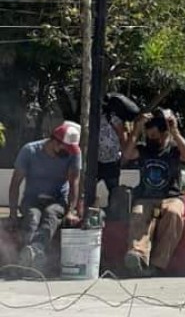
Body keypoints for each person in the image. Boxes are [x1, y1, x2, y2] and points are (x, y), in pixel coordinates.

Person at [122, 108, 185, 276]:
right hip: (145, 198)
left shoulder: (174, 150)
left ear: (164, 134)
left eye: (154, 136)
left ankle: (157, 264)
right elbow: (127, 155)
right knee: (139, 214)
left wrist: (175, 131)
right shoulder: (143, 150)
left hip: (172, 197)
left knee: (173, 214)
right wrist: (136, 130)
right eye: (148, 136)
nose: (151, 139)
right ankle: (137, 255)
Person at [7, 121, 82, 268]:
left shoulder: (74, 154)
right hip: (32, 199)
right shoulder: (29, 151)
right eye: (65, 149)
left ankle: (33, 252)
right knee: (32, 218)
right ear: (55, 141)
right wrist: (13, 213)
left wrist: (71, 210)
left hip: (57, 201)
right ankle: (32, 258)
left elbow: (75, 182)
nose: (67, 153)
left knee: (51, 215)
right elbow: (15, 184)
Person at [98, 93, 139, 195]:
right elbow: (123, 139)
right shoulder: (116, 120)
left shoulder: (100, 116)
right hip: (110, 161)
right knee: (113, 191)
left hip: (99, 159)